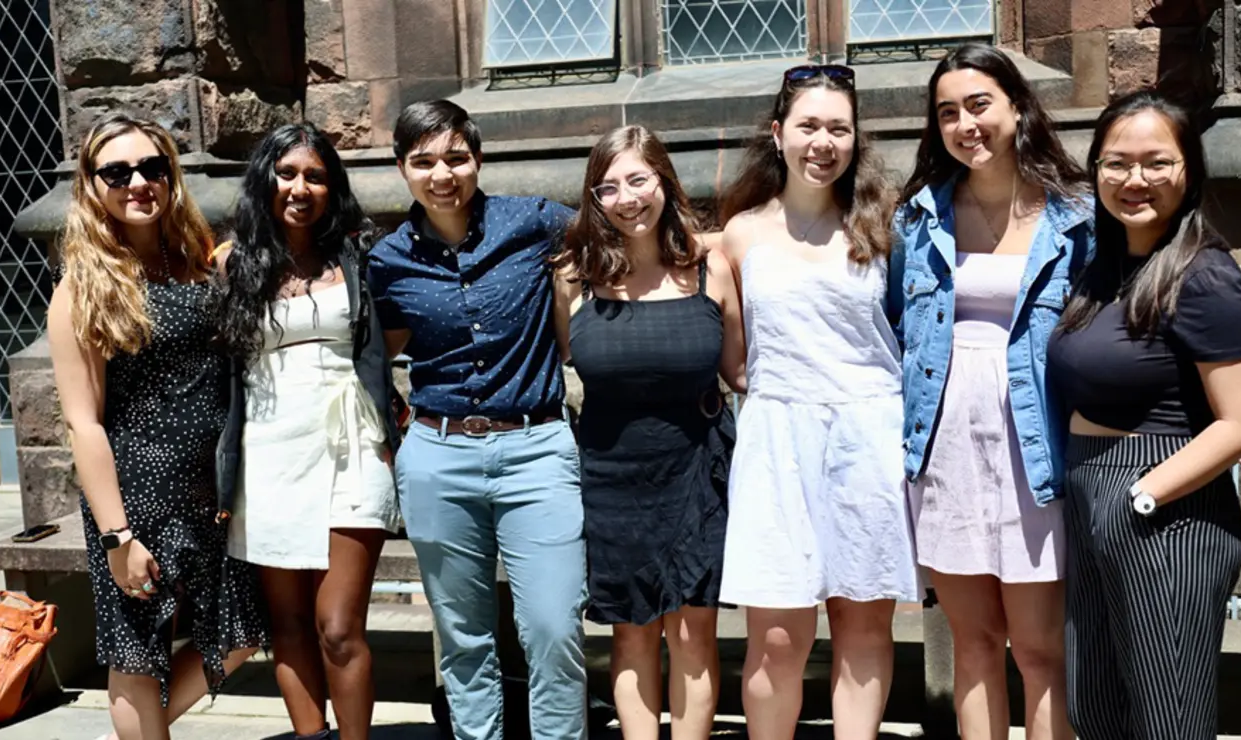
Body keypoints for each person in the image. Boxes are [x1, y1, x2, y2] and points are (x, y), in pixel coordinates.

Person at [366, 99, 587, 740]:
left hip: (537, 446)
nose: (443, 175)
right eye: (424, 162)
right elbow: (366, 350)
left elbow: (625, 229)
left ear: (479, 158)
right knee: (463, 636)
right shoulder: (387, 260)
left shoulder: (536, 222)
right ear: (402, 169)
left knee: (553, 626)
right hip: (439, 455)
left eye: (456, 158)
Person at [1048, 91, 1241, 740]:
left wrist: (1142, 495)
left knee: (1168, 719)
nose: (1134, 179)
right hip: (1091, 491)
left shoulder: (1204, 275)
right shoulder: (1103, 269)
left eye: (1156, 162)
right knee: (1097, 709)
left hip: (1164, 510)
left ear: (1189, 169)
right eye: (1116, 163)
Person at [893, 42, 1091, 740]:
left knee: (1039, 650)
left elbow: (1124, 320)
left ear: (1017, 106)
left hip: (1034, 450)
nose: (964, 124)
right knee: (973, 645)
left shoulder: (1076, 217)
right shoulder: (917, 220)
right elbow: (891, 326)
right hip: (946, 449)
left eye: (978, 104)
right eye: (947, 112)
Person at [47, 113, 267, 740]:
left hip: (216, 490)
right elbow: (83, 423)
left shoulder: (199, 263)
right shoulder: (82, 288)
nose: (138, 182)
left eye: (152, 167)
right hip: (138, 499)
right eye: (117, 172)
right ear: (91, 186)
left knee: (243, 629)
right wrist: (117, 536)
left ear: (171, 174)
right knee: (138, 651)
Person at [716, 64, 919, 739]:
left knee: (863, 627)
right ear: (778, 134)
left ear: (856, 139)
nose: (823, 142)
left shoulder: (883, 227)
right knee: (776, 637)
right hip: (778, 439)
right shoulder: (741, 234)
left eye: (839, 128)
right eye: (808, 126)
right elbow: (736, 357)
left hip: (869, 433)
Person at [551, 125, 744, 740]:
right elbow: (561, 355)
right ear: (593, 198)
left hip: (698, 469)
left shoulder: (711, 268)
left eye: (638, 180)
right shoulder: (574, 276)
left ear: (665, 180)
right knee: (631, 631)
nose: (627, 198)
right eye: (608, 188)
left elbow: (741, 370)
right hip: (611, 475)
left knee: (693, 632)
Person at [213, 123, 401, 740]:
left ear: (331, 186)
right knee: (288, 624)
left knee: (338, 626)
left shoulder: (358, 255)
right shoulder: (232, 264)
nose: (300, 188)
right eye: (287, 173)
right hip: (268, 453)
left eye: (315, 176)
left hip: (353, 444)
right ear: (264, 180)